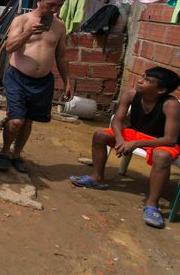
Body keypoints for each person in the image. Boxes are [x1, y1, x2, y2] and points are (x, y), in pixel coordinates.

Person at [70, 67, 180, 228]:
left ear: (162, 90)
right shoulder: (131, 94)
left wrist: (135, 143)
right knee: (100, 135)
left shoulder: (170, 104)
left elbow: (170, 139)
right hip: (134, 134)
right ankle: (97, 179)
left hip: (159, 141)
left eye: (148, 80)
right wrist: (121, 139)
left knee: (161, 157)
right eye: (143, 76)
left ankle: (152, 204)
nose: (140, 81)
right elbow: (116, 120)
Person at [0, 0, 74, 173]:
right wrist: (29, 32)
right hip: (17, 78)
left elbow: (61, 55)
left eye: (59, 6)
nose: (54, 10)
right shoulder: (22, 20)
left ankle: (16, 155)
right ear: (40, 1)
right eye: (51, 4)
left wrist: (68, 82)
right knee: (16, 120)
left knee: (28, 120)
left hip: (43, 81)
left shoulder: (59, 26)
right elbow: (9, 48)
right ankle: (4, 152)